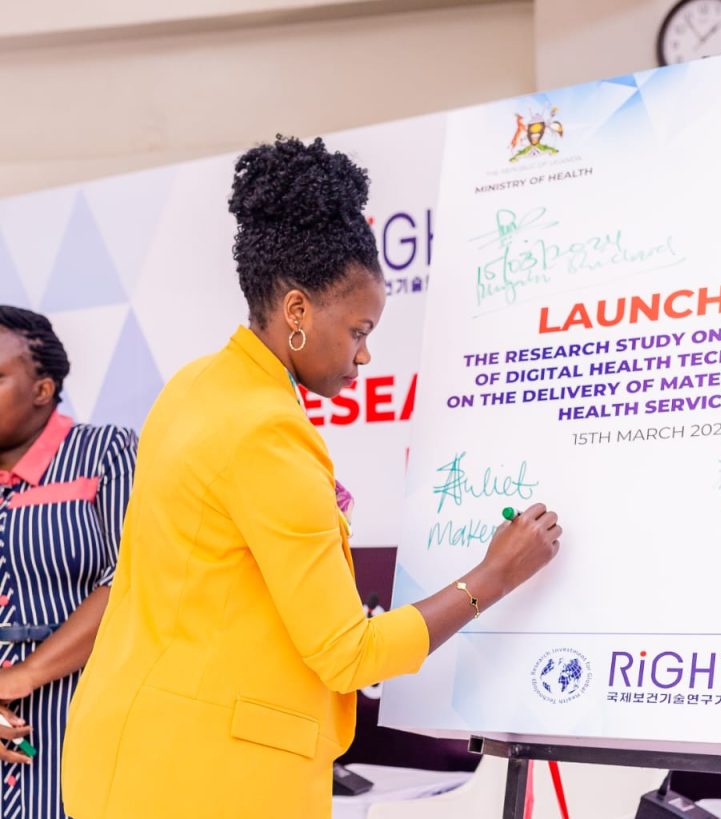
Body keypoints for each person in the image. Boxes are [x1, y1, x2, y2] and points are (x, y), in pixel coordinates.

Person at [62, 136, 561, 819]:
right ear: (297, 312)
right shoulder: (266, 430)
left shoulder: (196, 386)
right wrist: (495, 574)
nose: (365, 354)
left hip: (124, 748)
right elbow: (349, 653)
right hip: (205, 777)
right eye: (358, 330)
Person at [0, 306, 137, 819]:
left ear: (42, 389)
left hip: (83, 710)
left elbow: (132, 578)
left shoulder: (106, 452)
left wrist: (24, 675)